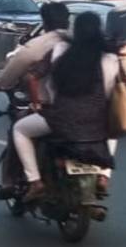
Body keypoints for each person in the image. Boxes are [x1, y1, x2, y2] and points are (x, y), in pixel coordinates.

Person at [13, 12, 120, 203]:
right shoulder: (110, 57)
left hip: (60, 119)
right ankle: (104, 176)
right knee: (112, 132)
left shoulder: (59, 50)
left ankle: (35, 182)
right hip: (96, 123)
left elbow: (32, 77)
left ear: (75, 30)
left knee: (20, 129)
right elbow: (115, 90)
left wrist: (37, 103)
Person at [0, 2, 70, 198]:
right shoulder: (83, 44)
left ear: (44, 22)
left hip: (52, 109)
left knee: (18, 128)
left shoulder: (37, 46)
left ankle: (18, 180)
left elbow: (12, 74)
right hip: (88, 110)